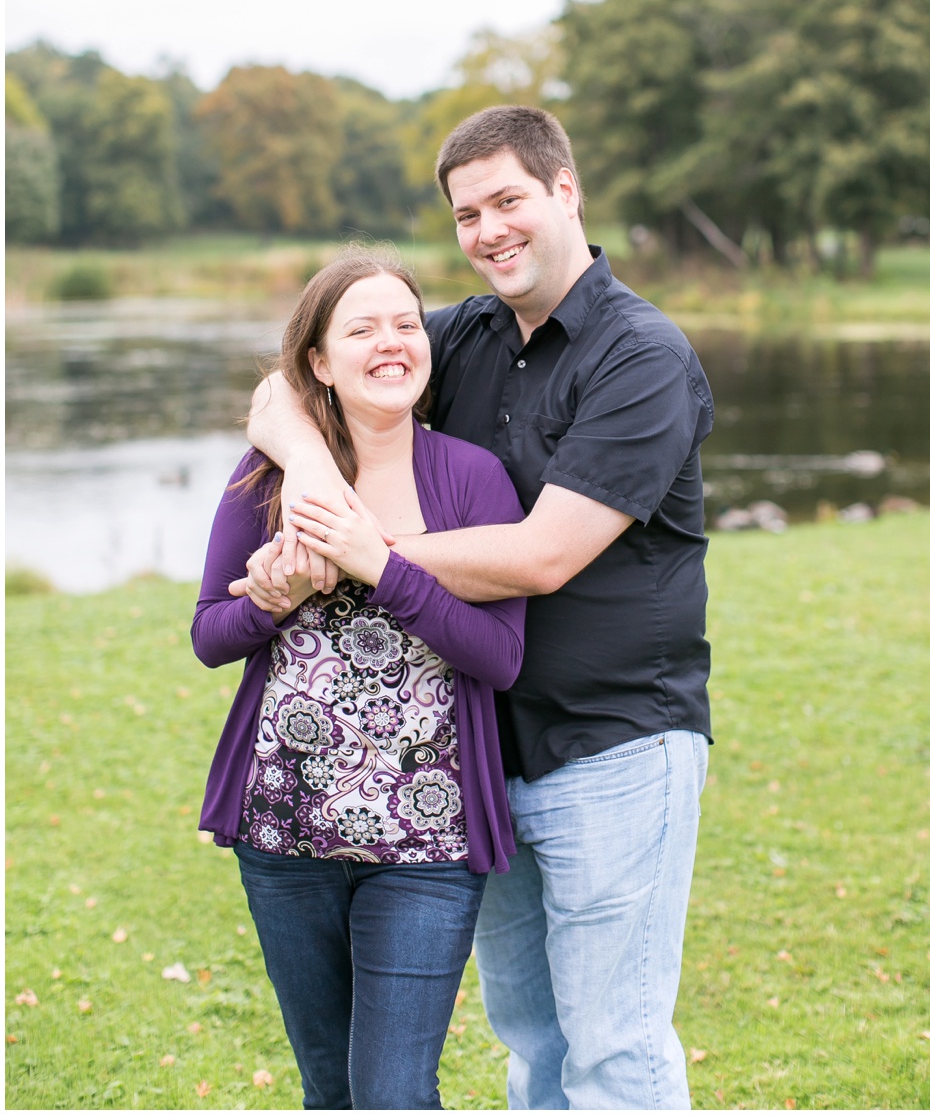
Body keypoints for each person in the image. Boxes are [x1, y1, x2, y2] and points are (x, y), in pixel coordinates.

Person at [237, 105, 717, 1109]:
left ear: (565, 192)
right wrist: (323, 492)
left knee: (614, 1051)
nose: (489, 229)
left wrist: (371, 554)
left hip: (616, 748)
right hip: (484, 762)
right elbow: (281, 391)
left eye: (508, 200)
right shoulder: (464, 334)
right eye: (467, 213)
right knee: (534, 1048)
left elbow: (544, 556)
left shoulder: (642, 357)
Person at [193, 248, 528, 1109]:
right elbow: (210, 634)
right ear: (319, 361)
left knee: (394, 1094)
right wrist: (278, 597)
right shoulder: (270, 476)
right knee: (329, 1091)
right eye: (362, 328)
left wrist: (381, 567)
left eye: (406, 323)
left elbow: (499, 657)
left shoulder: (472, 476)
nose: (391, 343)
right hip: (283, 837)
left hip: (426, 845)